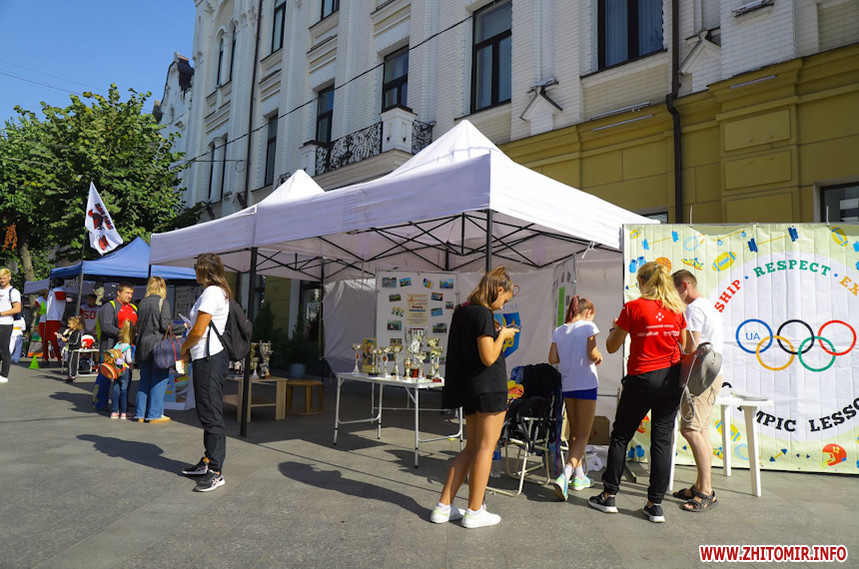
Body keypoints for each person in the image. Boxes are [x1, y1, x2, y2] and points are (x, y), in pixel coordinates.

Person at [589, 261, 690, 523]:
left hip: (642, 378)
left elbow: (612, 347)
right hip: (670, 380)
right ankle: (655, 505)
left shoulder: (633, 307)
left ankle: (609, 495)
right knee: (662, 440)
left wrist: (615, 327)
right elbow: (686, 344)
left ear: (643, 283)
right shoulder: (676, 308)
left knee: (621, 435)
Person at [431, 266, 519, 528]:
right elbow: (488, 357)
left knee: (471, 448)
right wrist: (503, 335)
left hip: (470, 388)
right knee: (485, 449)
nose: (502, 306)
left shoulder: (463, 311)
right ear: (499, 289)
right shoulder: (482, 313)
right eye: (504, 300)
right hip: (489, 387)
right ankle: (475, 510)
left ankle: (443, 507)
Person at [179, 253, 231, 492]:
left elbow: (199, 330)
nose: (194, 271)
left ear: (204, 270)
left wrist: (184, 348)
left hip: (209, 358)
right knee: (206, 410)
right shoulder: (215, 291)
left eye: (196, 267)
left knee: (211, 413)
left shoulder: (212, 292)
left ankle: (216, 471)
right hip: (207, 357)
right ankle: (209, 460)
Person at [672, 269, 723, 512]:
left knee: (690, 429)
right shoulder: (708, 305)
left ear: (684, 285)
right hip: (713, 374)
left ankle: (706, 491)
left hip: (700, 377)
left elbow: (690, 347)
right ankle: (701, 485)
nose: (674, 296)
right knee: (701, 430)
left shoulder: (693, 309)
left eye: (675, 290)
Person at [548, 295, 603, 500]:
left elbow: (552, 358)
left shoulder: (559, 330)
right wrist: (599, 356)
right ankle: (566, 474)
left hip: (568, 385)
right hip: (586, 384)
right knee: (582, 436)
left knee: (574, 434)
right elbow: (592, 354)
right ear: (588, 312)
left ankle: (579, 476)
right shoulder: (589, 327)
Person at [93, 283, 138, 412]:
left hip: (127, 349)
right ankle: (100, 402)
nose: (129, 296)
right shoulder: (109, 306)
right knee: (105, 376)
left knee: (125, 376)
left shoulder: (134, 307)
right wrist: (123, 334)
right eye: (127, 293)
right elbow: (106, 326)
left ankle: (123, 400)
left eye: (131, 293)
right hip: (110, 349)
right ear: (119, 292)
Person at [134, 276, 173, 423]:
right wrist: (184, 326)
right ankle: (154, 414)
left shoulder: (142, 303)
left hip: (143, 345)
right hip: (158, 347)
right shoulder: (163, 302)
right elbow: (165, 326)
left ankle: (140, 413)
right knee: (159, 379)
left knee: (144, 380)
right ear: (162, 287)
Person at [109, 321, 136, 419]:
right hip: (125, 370)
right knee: (124, 390)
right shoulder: (128, 346)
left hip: (116, 369)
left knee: (116, 390)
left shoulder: (117, 345)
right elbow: (128, 360)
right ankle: (124, 412)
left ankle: (114, 411)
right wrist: (134, 360)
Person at [0, 267, 23, 383]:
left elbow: (17, 309)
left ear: (9, 278)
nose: (2, 280)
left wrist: (1, 313)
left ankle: (4, 375)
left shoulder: (13, 292)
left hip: (6, 323)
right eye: (0, 278)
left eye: (4, 278)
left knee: (4, 349)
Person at [44, 279, 67, 366]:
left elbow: (60, 298)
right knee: (47, 339)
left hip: (55, 317)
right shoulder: (53, 291)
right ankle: (47, 358)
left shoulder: (60, 290)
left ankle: (59, 358)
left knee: (54, 339)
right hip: (49, 317)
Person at [58, 316, 85, 383]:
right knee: (70, 362)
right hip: (70, 349)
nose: (68, 325)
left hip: (74, 350)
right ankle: (71, 375)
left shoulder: (77, 332)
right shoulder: (71, 331)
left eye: (69, 324)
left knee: (71, 363)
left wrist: (67, 340)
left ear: (74, 324)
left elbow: (75, 342)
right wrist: (62, 335)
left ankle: (71, 376)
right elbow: (65, 336)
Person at [34, 288, 49, 365]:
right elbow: (38, 313)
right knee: (44, 340)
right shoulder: (39, 300)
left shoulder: (52, 299)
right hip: (43, 321)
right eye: (45, 295)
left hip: (51, 320)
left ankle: (58, 358)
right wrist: (36, 324)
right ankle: (45, 358)